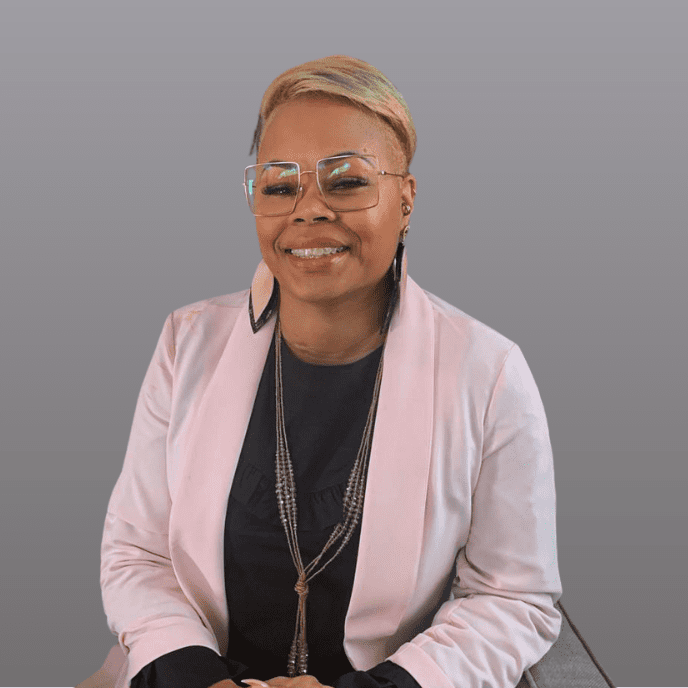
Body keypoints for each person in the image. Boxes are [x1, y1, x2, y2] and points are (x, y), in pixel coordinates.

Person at [100, 55, 563, 688]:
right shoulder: (188, 343)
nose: (309, 209)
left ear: (405, 200)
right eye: (280, 184)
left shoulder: (488, 373)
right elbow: (138, 553)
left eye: (346, 181)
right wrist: (196, 677)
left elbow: (514, 598)